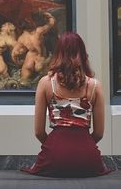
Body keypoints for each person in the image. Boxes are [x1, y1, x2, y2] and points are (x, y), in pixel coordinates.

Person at [22, 32, 109, 177]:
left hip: (54, 156)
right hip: (88, 158)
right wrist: (81, 146)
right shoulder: (95, 86)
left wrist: (55, 147)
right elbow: (99, 133)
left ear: (58, 53)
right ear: (82, 53)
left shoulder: (45, 83)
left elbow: (38, 132)